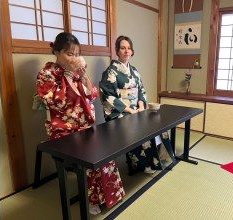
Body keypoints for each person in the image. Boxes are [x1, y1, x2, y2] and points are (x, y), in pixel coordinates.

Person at [36, 32, 125, 215]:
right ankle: (93, 200)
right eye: (70, 54)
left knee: (104, 155)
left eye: (77, 54)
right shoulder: (46, 73)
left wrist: (83, 77)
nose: (74, 58)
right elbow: (56, 102)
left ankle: (109, 196)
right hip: (63, 132)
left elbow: (92, 95)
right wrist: (68, 75)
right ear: (57, 52)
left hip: (84, 128)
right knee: (90, 160)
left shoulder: (76, 72)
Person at [99, 35, 174, 175]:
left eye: (129, 48)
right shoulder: (110, 72)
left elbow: (141, 90)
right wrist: (129, 110)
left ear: (132, 51)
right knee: (137, 128)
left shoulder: (134, 70)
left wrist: (140, 106)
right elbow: (107, 97)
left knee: (157, 124)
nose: (126, 51)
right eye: (122, 48)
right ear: (117, 51)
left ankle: (161, 158)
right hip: (121, 112)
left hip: (136, 109)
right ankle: (142, 164)